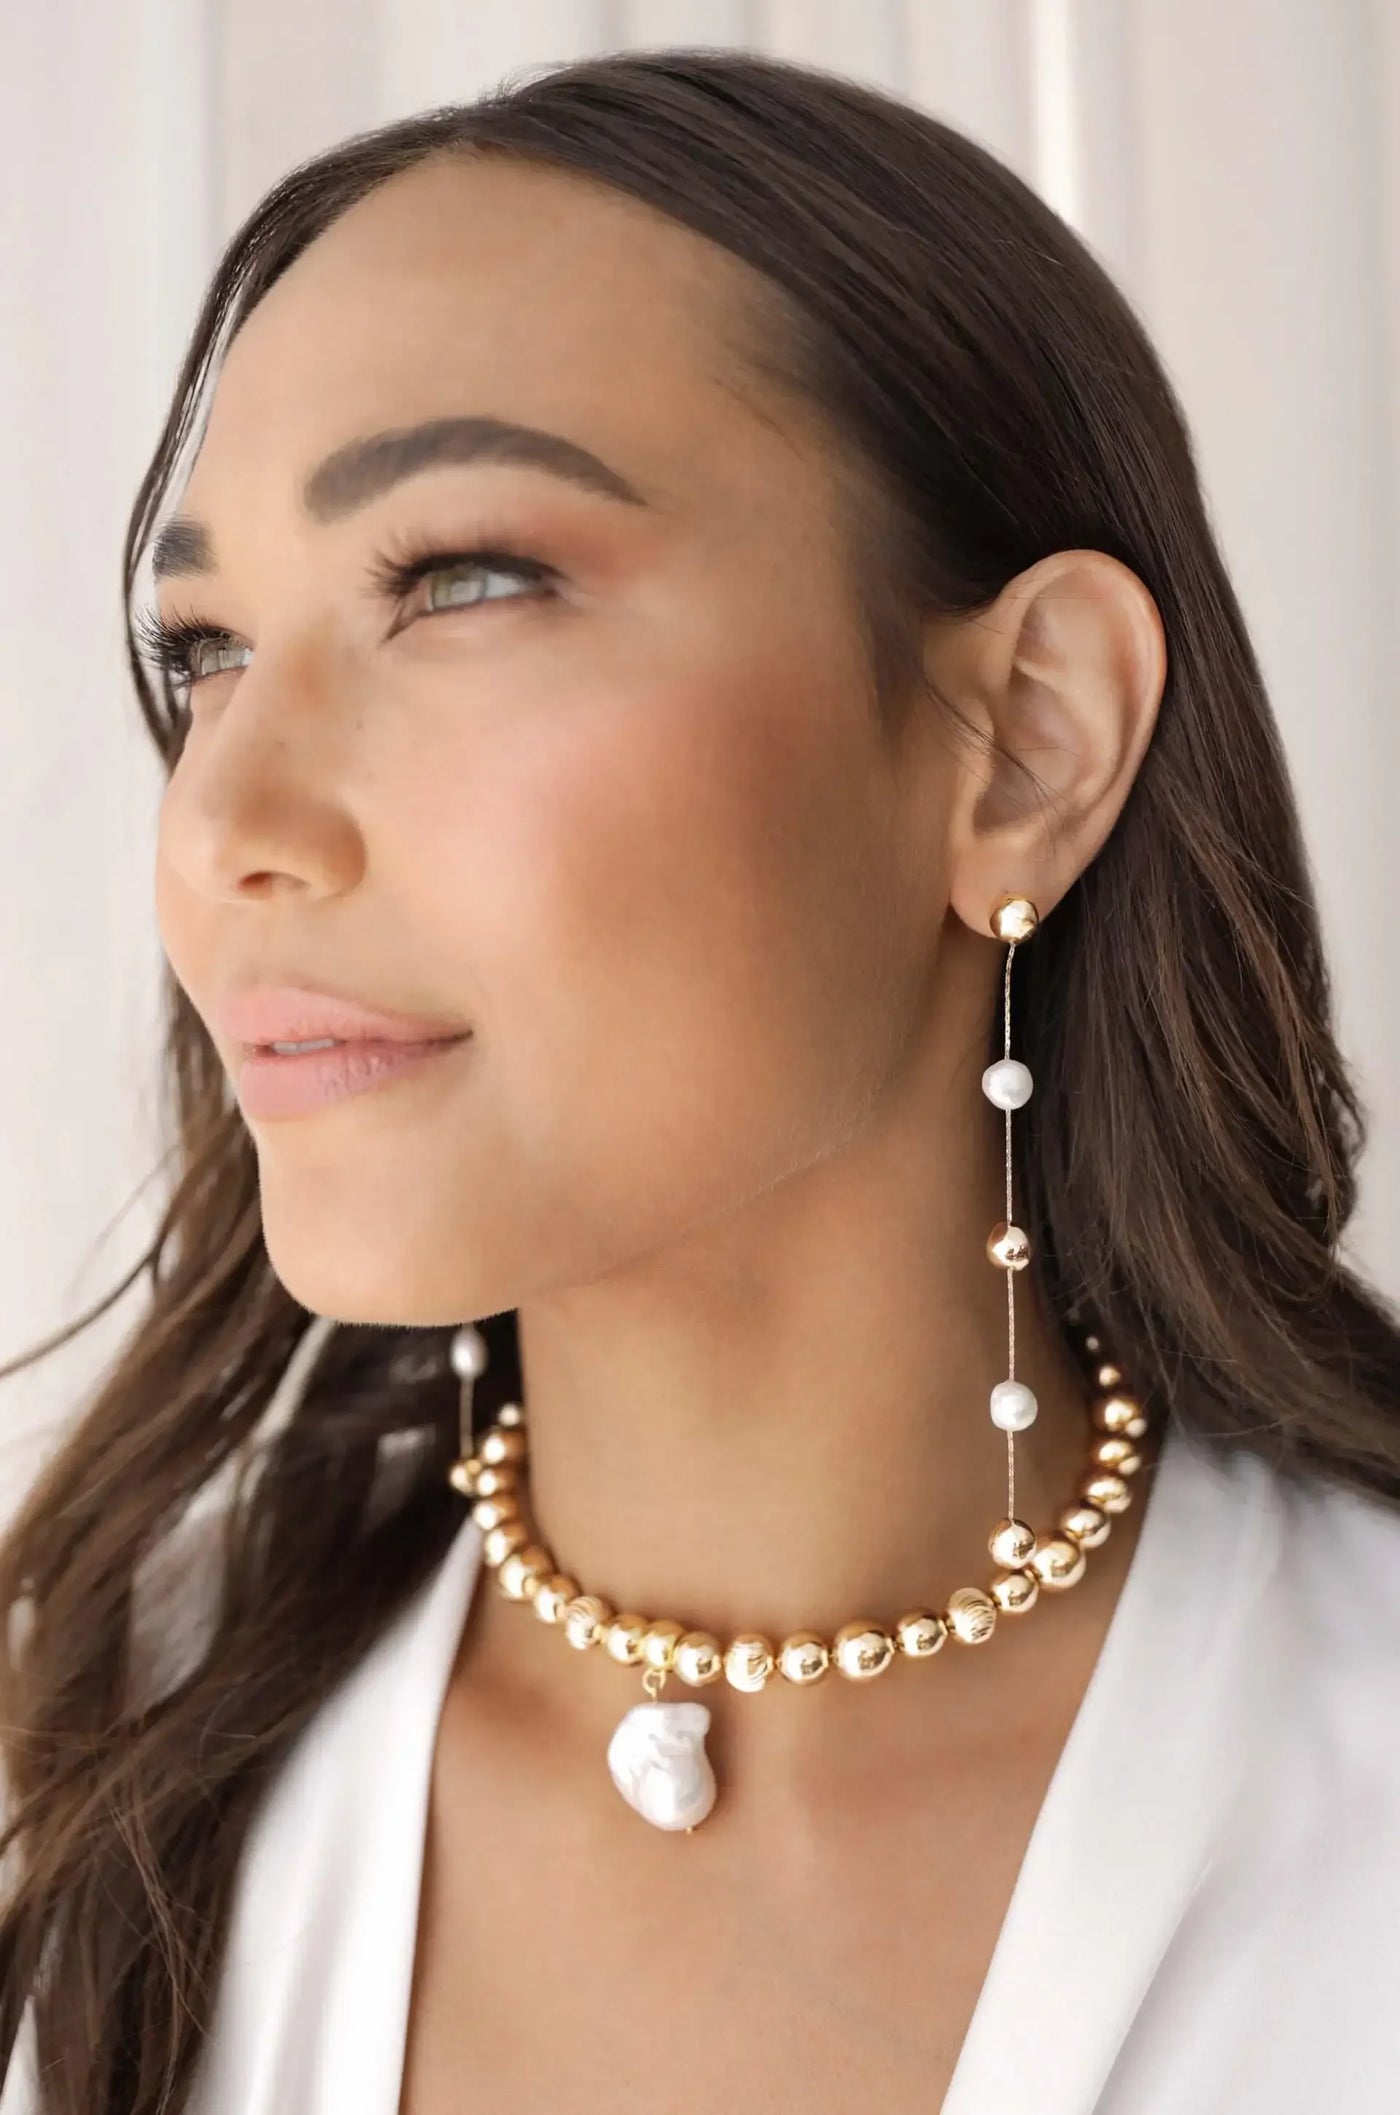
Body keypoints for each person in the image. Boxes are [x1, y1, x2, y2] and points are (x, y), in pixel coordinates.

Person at [2, 44, 1398, 2115]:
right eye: (203, 649)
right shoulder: (94, 1757)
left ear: (1023, 736)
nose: (225, 822)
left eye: (460, 580)